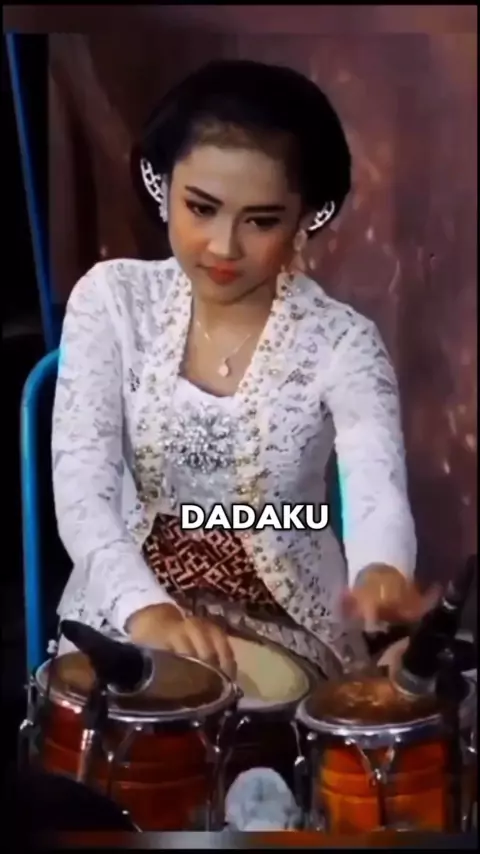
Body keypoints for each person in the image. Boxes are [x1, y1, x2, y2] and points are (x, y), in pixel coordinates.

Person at [52, 59, 438, 679]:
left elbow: (376, 491)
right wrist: (147, 612)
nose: (224, 246)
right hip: (128, 606)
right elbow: (82, 495)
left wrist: (381, 571)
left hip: (287, 622)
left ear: (305, 218)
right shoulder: (112, 300)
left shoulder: (342, 342)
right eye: (201, 208)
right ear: (161, 185)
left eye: (261, 220)